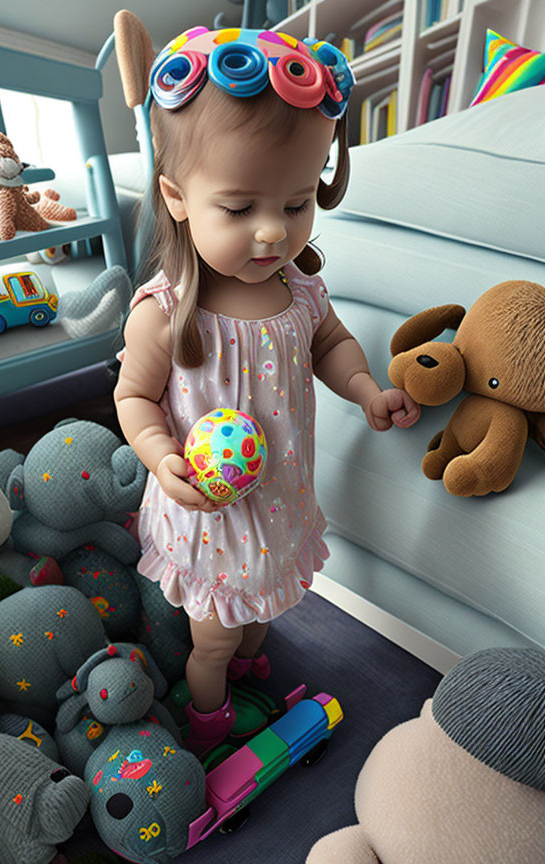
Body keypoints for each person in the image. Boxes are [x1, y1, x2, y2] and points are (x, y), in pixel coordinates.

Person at [115, 24, 420, 756]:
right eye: (240, 207)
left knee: (262, 615)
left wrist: (365, 388)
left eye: (295, 203)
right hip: (212, 521)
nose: (270, 233)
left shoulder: (301, 292)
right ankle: (211, 720)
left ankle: (255, 665)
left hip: (278, 504)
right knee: (213, 639)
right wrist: (162, 459)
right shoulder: (166, 310)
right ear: (177, 198)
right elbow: (132, 399)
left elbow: (332, 345)